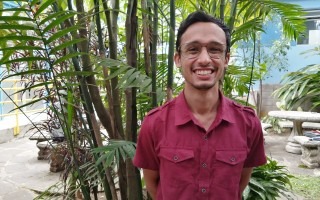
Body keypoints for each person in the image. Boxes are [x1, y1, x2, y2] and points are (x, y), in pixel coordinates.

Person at [133, 10, 267, 200]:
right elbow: (153, 185)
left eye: (214, 49)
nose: (204, 59)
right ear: (178, 59)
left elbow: (240, 182)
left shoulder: (248, 123)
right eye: (193, 50)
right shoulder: (154, 123)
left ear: (226, 59)